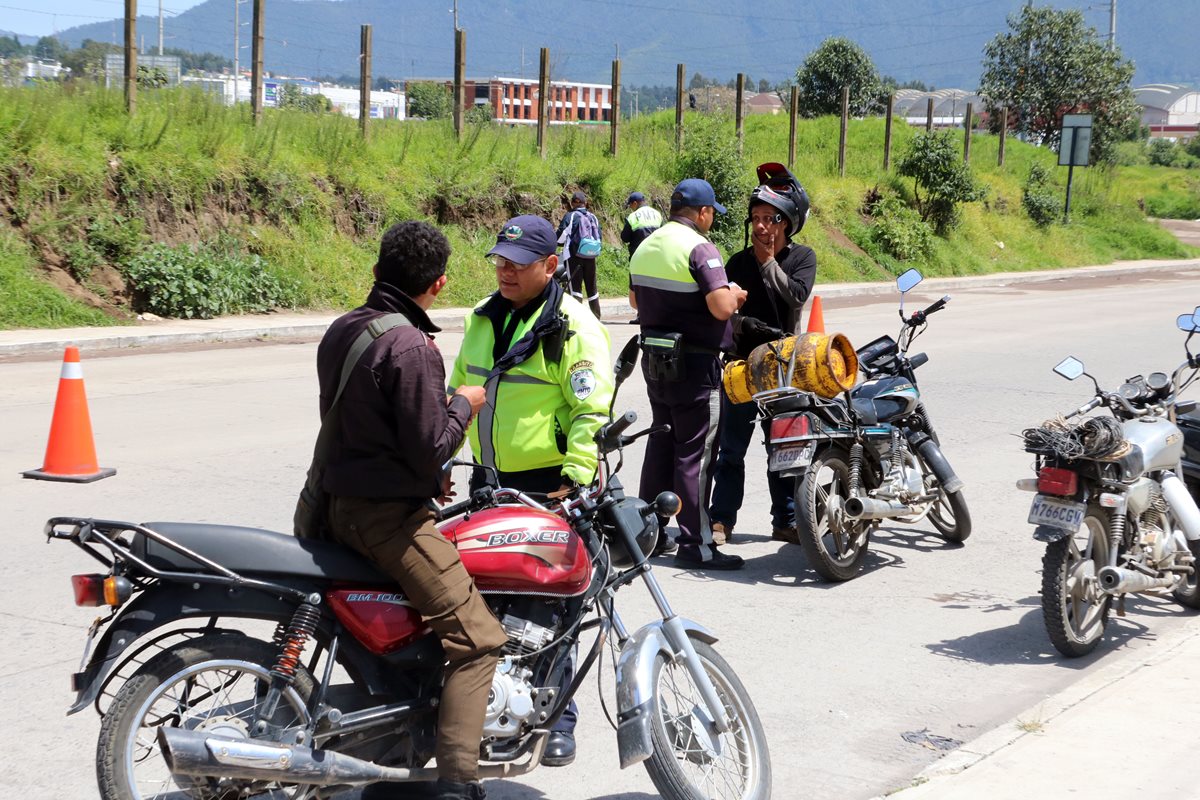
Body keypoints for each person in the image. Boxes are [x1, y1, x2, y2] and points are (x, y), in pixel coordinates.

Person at [316, 221, 506, 800]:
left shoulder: (345, 329)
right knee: (478, 641)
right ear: (440, 283)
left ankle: (402, 739)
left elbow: (368, 427)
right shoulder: (411, 346)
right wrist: (462, 404)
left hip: (332, 506)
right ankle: (456, 782)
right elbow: (430, 445)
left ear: (376, 272)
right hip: (385, 519)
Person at [448, 213, 616, 767]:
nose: (505, 271)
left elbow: (590, 408)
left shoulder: (574, 326)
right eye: (499, 260)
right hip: (488, 482)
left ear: (551, 265)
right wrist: (439, 456)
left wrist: (575, 478)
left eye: (518, 264)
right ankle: (492, 714)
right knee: (484, 606)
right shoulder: (482, 318)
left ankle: (558, 721)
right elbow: (456, 393)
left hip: (551, 489)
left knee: (554, 608)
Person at [629, 178, 748, 570]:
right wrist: (734, 293)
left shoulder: (646, 245)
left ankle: (651, 533)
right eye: (711, 212)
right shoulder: (699, 247)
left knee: (661, 443)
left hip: (656, 362)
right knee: (695, 453)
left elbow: (634, 299)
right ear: (703, 213)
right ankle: (696, 544)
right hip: (696, 366)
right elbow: (719, 306)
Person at [709, 169, 817, 546]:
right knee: (731, 449)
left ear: (787, 223)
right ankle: (721, 521)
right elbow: (722, 308)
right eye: (755, 218)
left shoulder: (802, 257)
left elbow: (797, 297)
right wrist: (742, 323)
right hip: (741, 365)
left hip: (783, 366)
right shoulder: (737, 262)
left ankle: (785, 520)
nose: (761, 226)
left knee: (782, 449)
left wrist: (770, 263)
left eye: (769, 219)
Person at [556, 190, 603, 318]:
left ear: (572, 203)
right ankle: (596, 318)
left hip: (573, 257)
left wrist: (557, 243)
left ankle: (576, 319)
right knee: (592, 288)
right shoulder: (592, 217)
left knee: (575, 289)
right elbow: (599, 236)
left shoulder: (570, 216)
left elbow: (561, 235)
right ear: (585, 203)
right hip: (590, 255)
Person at [620, 191, 664, 258]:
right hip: (656, 255)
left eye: (630, 205)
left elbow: (625, 238)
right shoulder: (657, 214)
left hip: (639, 256)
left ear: (635, 203)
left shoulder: (632, 217)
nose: (630, 208)